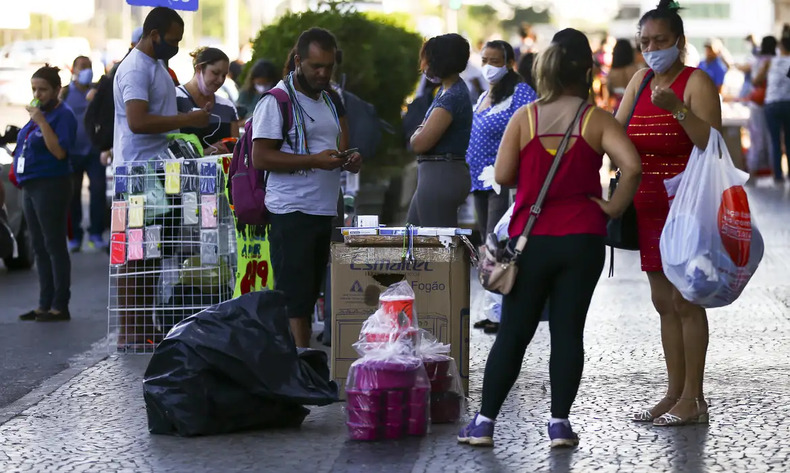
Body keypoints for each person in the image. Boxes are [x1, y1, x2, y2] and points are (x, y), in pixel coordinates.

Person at [457, 28, 641, 448]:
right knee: (568, 331)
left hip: (531, 240)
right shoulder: (596, 119)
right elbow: (631, 166)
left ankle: (484, 423)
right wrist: (611, 208)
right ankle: (559, 425)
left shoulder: (527, 117)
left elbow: (502, 176)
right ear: (587, 71)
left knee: (514, 332)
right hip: (583, 239)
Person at [617, 0, 722, 426]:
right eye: (645, 42)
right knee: (663, 302)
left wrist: (676, 110)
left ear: (679, 42)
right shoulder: (640, 80)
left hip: (687, 206)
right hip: (648, 206)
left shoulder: (696, 82)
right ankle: (673, 392)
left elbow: (712, 144)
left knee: (686, 301)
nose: (651, 48)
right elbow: (615, 130)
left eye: (660, 40)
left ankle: (694, 400)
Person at [251, 28, 361, 348]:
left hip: (321, 209)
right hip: (292, 210)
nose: (323, 73)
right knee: (295, 300)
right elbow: (261, 156)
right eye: (316, 66)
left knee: (310, 293)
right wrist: (314, 160)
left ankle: (302, 366)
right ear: (298, 61)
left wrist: (346, 158)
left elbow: (330, 146)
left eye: (329, 66)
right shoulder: (276, 101)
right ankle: (299, 368)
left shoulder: (326, 98)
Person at [113, 7, 209, 348]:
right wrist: (188, 121)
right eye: (172, 40)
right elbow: (138, 121)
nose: (176, 45)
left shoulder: (155, 67)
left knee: (152, 253)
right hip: (138, 175)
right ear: (153, 34)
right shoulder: (136, 69)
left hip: (157, 171)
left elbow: (158, 116)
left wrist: (186, 119)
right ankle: (130, 331)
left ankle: (144, 326)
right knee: (136, 255)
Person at [468, 40, 537, 334]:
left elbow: (531, 130)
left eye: (495, 61)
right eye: (484, 59)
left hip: (503, 180)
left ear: (509, 62)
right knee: (488, 244)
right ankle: (491, 308)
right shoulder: (487, 93)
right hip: (479, 181)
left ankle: (504, 309)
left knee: (500, 241)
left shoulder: (521, 92)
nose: (488, 66)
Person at [13, 65, 78, 322]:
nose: (37, 94)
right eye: (33, 89)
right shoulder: (38, 114)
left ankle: (60, 305)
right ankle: (44, 302)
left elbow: (59, 151)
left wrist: (40, 121)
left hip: (52, 184)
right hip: (30, 184)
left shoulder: (63, 115)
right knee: (38, 246)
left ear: (56, 90)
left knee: (54, 245)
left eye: (43, 89)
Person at [408, 34, 473, 227]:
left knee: (436, 245)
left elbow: (420, 143)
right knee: (415, 238)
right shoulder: (447, 91)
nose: (423, 65)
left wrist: (417, 133)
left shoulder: (451, 97)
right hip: (436, 174)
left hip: (440, 175)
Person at [62, 56, 107, 252]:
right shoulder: (64, 93)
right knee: (71, 195)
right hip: (72, 152)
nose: (87, 70)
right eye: (83, 67)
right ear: (74, 70)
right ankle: (75, 237)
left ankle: (95, 234)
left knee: (97, 192)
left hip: (94, 151)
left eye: (89, 67)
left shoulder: (97, 91)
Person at [176, 47, 240, 154]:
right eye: (215, 73)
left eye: (224, 75)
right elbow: (167, 149)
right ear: (199, 69)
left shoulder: (227, 107)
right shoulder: (174, 98)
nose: (220, 80)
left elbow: (236, 151)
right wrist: (206, 152)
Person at [754, 28, 790, 183]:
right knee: (788, 140)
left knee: (775, 141)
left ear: (780, 47)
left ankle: (778, 176)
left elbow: (756, 81)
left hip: (772, 104)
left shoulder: (770, 62)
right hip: (788, 103)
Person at [745, 36, 777, 181]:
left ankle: (753, 173)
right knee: (772, 139)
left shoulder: (759, 60)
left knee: (757, 138)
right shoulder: (774, 60)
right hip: (769, 102)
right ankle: (775, 174)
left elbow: (755, 81)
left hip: (759, 103)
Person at [607, 39, 641, 112]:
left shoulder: (611, 72)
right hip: (634, 106)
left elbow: (609, 91)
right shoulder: (635, 70)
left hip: (617, 106)